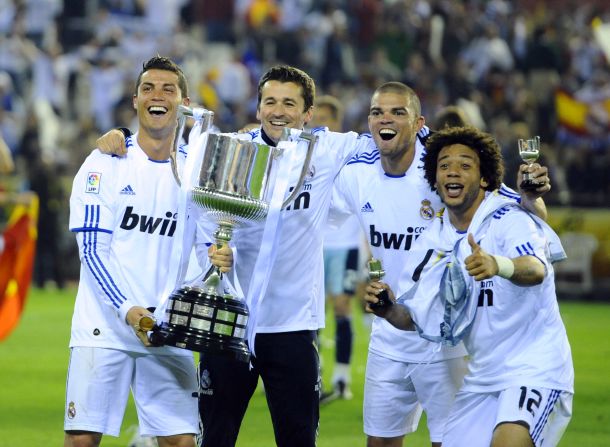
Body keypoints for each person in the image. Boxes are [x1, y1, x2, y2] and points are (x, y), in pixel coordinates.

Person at [96, 65, 374, 447]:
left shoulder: (324, 152)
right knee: (215, 438)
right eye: (270, 101)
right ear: (258, 108)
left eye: (289, 103)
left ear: (307, 113)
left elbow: (384, 141)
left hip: (290, 325)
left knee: (298, 440)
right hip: (226, 319)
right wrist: (124, 137)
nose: (278, 111)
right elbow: (181, 172)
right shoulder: (231, 149)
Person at [331, 82, 551, 447]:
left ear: (419, 123)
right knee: (380, 442)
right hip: (390, 330)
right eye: (377, 112)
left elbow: (526, 211)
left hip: (449, 337)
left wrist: (533, 197)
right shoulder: (356, 173)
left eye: (397, 112)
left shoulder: (445, 166)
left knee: (452, 442)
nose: (385, 119)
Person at [365, 125, 573, 447]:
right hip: (481, 378)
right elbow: (416, 317)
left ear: (485, 178)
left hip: (534, 368)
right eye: (444, 165)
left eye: (465, 165)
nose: (452, 172)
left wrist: (497, 265)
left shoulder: (509, 218)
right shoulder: (432, 240)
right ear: (434, 179)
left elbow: (536, 269)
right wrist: (388, 308)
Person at [65, 56, 207, 447]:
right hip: (105, 326)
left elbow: (204, 248)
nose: (157, 96)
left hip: (166, 329)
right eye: (148, 88)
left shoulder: (197, 174)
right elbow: (92, 252)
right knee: (81, 441)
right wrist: (130, 311)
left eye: (168, 89)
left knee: (181, 441)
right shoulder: (105, 163)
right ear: (135, 100)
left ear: (185, 102)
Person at [315, 94, 365, 402]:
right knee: (313, 312)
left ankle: (342, 378)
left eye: (326, 119)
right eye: (316, 118)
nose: (320, 125)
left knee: (342, 307)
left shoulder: (351, 156)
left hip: (345, 245)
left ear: (337, 123)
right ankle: (314, 376)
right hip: (314, 247)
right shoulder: (306, 155)